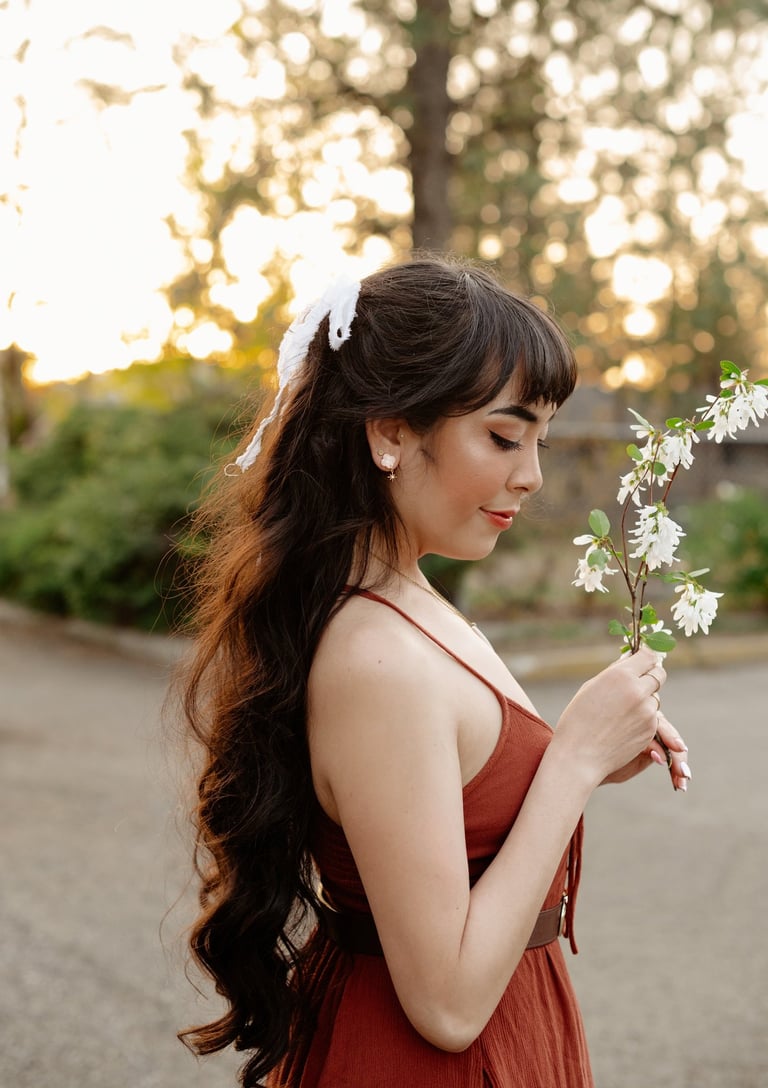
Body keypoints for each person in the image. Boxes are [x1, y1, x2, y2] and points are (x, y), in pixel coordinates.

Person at [177, 256, 691, 1087]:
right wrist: (574, 761)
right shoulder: (376, 658)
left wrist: (584, 754)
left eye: (541, 441)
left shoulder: (407, 600)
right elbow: (446, 1005)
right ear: (389, 433)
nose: (532, 474)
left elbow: (457, 799)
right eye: (503, 435)